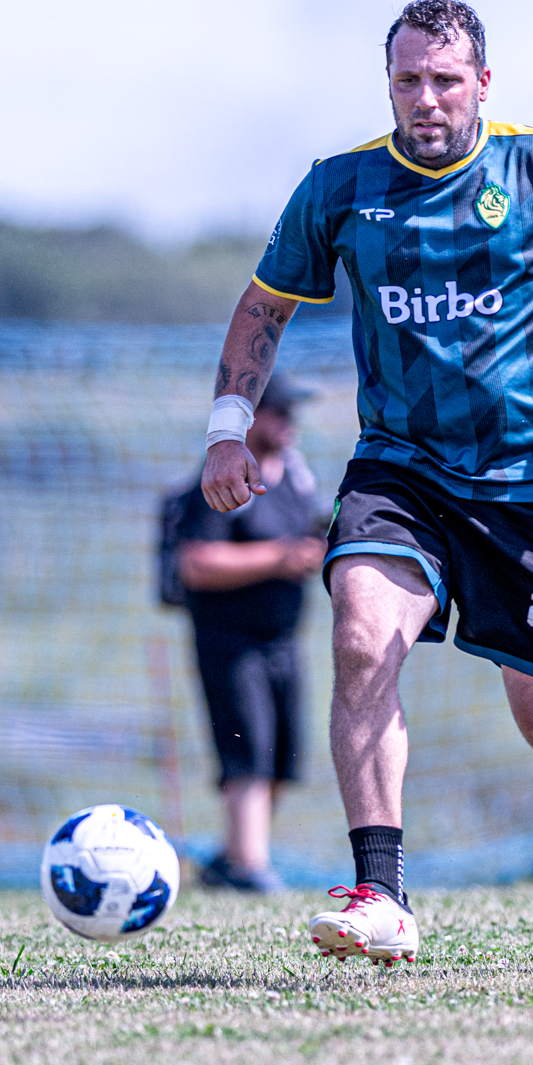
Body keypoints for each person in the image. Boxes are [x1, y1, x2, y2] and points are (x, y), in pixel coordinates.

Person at [200, 0, 533, 966]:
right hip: (401, 471)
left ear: (482, 82)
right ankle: (382, 895)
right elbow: (263, 307)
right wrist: (228, 432)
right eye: (408, 80)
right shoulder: (340, 187)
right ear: (389, 85)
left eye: (445, 80)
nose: (426, 98)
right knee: (361, 637)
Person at [178, 372, 326, 892]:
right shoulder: (222, 481)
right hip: (230, 641)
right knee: (249, 751)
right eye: (279, 412)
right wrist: (278, 559)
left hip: (283, 641)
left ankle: (230, 858)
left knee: (282, 757)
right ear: (252, 417)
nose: (289, 422)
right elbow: (196, 562)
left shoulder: (296, 480)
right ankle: (248, 867)